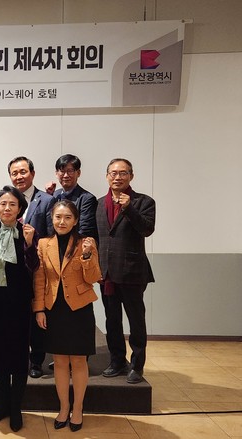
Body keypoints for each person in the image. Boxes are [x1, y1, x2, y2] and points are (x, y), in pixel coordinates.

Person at [33, 200, 102, 433]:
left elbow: (93, 278)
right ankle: (64, 408)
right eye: (58, 217)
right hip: (54, 309)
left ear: (75, 221)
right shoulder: (44, 244)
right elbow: (40, 279)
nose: (62, 222)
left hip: (79, 309)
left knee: (79, 361)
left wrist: (87, 256)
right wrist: (39, 309)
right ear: (52, 219)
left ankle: (78, 408)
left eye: (67, 218)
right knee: (60, 361)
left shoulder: (86, 243)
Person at [0, 186, 39, 432]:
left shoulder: (28, 233)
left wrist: (29, 243)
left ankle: (16, 408)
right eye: (3, 204)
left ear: (20, 209)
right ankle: (3, 404)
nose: (7, 208)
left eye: (12, 204)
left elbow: (34, 267)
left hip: (20, 302)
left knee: (18, 355)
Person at [96, 158, 156, 385]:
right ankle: (117, 361)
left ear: (131, 176)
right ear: (107, 176)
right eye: (113, 173)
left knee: (136, 321)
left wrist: (129, 208)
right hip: (107, 274)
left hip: (132, 272)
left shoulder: (143, 202)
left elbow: (147, 229)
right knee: (112, 321)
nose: (117, 177)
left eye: (123, 173)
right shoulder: (99, 204)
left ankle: (137, 365)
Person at [7, 156, 55, 379]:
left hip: (37, 267)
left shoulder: (46, 200)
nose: (19, 176)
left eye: (23, 172)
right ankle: (17, 357)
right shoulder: (7, 199)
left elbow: (51, 235)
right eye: (14, 173)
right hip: (11, 269)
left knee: (37, 314)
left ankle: (36, 360)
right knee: (15, 316)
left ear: (32, 173)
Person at [46, 154, 99, 244]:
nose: (66, 175)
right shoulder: (54, 195)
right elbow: (49, 225)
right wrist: (49, 195)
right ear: (56, 173)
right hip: (53, 246)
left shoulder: (87, 198)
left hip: (76, 247)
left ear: (78, 173)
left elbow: (85, 231)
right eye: (62, 171)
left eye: (70, 171)